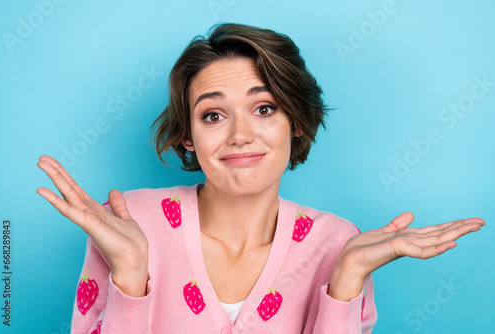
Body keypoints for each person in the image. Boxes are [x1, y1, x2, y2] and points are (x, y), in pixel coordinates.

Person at [37, 23, 485, 334]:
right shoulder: (127, 223)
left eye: (264, 108)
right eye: (213, 115)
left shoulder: (340, 243)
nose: (240, 135)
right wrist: (131, 277)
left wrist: (346, 278)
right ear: (188, 137)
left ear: (297, 122)